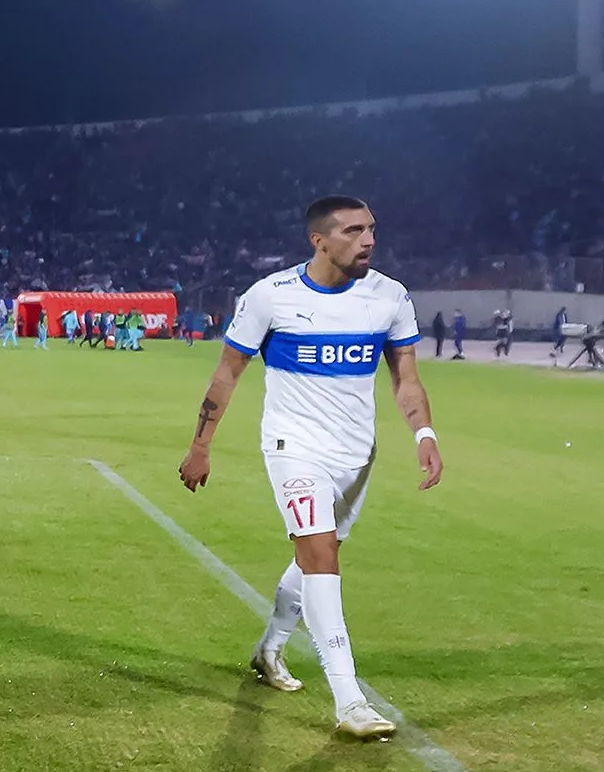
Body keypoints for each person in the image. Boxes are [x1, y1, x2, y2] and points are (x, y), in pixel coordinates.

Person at [178, 195, 443, 741]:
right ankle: (350, 700)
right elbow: (227, 374)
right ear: (319, 240)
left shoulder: (389, 296)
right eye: (352, 231)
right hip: (293, 446)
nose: (368, 239)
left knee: (317, 556)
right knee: (319, 553)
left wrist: (424, 432)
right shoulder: (271, 297)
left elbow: (406, 377)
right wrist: (201, 444)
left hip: (356, 453)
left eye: (371, 228)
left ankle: (269, 649)